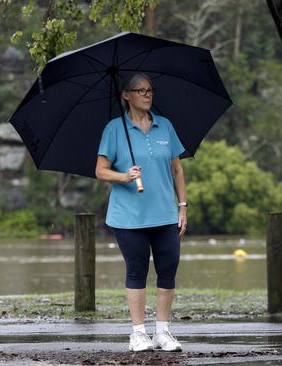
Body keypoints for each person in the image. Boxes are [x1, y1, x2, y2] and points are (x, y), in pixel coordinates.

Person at [95, 73, 187, 352]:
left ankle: (162, 332)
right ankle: (138, 334)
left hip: (165, 214)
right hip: (128, 217)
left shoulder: (165, 126)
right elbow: (100, 170)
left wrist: (182, 206)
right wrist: (124, 176)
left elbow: (177, 169)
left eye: (150, 90)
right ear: (126, 95)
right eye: (140, 90)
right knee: (137, 271)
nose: (147, 95)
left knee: (168, 270)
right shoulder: (114, 129)